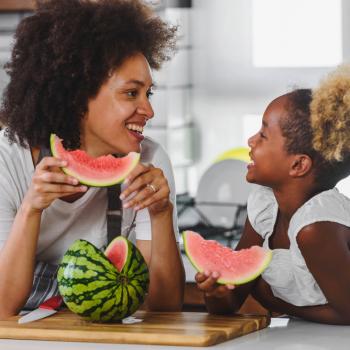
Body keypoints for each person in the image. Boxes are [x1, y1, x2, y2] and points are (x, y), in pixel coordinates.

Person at [0, 0, 185, 319]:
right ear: (77, 96)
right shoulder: (7, 159)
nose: (149, 111)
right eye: (131, 93)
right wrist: (31, 208)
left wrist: (161, 212)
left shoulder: (149, 161)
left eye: (148, 94)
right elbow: (2, 308)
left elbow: (166, 307)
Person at [195, 66, 350, 325]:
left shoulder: (315, 227)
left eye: (263, 135)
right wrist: (216, 293)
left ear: (298, 165)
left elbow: (349, 314)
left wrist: (274, 301)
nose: (251, 140)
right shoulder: (265, 206)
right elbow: (232, 299)